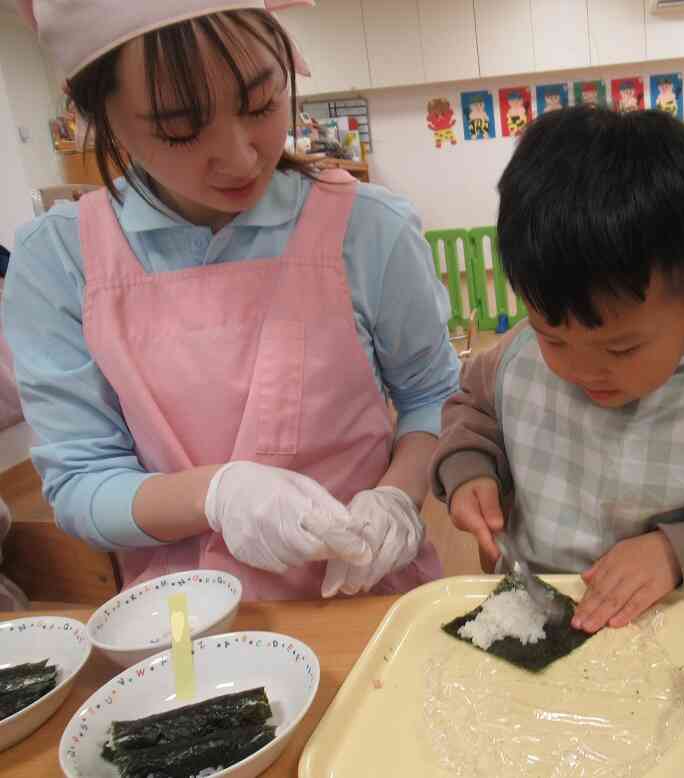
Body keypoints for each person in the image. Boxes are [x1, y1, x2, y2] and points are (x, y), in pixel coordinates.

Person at [5, 1, 460, 600]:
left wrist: (399, 495)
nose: (243, 157)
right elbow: (81, 485)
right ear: (95, 108)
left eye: (262, 104)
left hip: (365, 600)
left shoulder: (369, 228)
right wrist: (217, 494)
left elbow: (430, 396)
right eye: (180, 129)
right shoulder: (61, 260)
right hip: (187, 629)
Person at [431, 106, 684, 634]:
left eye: (622, 348)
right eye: (553, 337)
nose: (581, 371)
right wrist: (468, 467)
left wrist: (683, 551)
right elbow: (472, 411)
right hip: (538, 624)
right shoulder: (515, 358)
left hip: (676, 642)